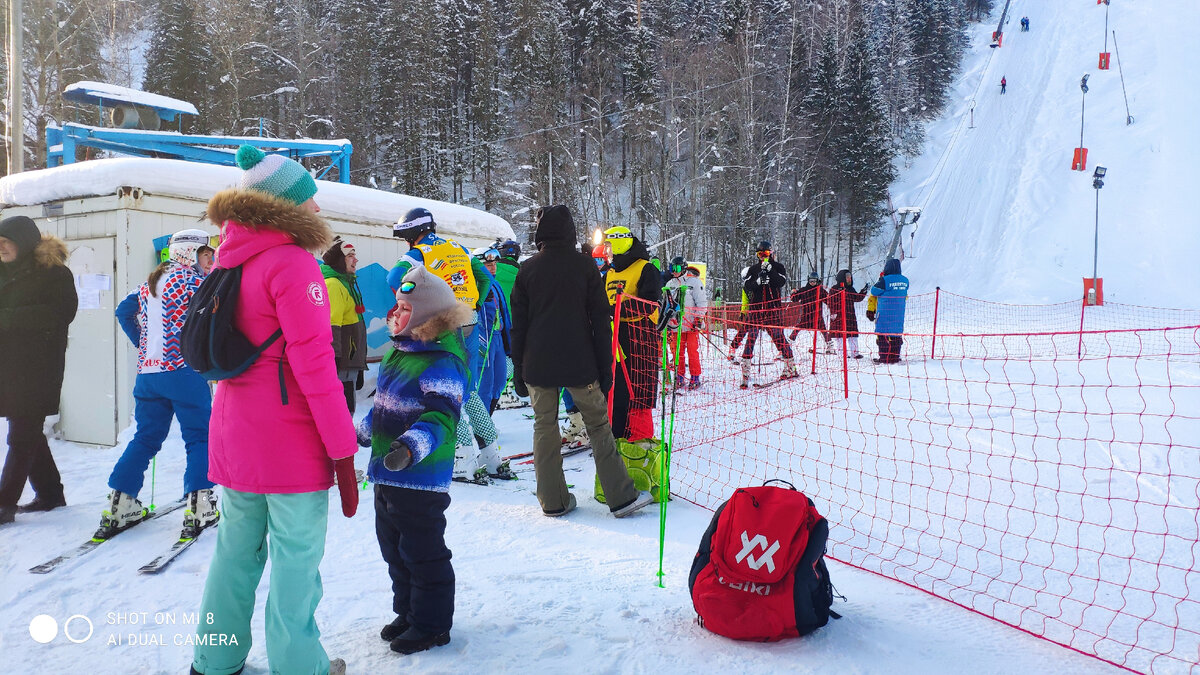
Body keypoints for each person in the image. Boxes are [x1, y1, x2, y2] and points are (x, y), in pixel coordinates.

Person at [191, 145, 356, 675]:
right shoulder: (294, 264)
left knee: (234, 555)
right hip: (289, 445)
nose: (316, 208)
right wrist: (343, 450)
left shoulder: (227, 257)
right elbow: (315, 368)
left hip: (234, 433)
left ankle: (214, 660)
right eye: (308, 199)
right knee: (295, 564)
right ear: (283, 205)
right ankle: (299, 664)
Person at [358, 265, 473, 655]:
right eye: (396, 307)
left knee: (422, 552)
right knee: (394, 550)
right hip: (387, 475)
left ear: (425, 316)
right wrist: (362, 432)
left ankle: (432, 623)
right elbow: (384, 406)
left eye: (404, 308)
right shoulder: (400, 351)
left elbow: (441, 416)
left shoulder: (442, 360)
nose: (395, 314)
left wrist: (410, 446)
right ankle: (409, 611)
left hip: (420, 477)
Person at [511, 205, 653, 518]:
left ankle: (553, 500)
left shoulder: (527, 270)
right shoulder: (586, 267)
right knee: (599, 427)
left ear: (541, 234)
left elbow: (517, 325)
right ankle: (621, 497)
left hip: (538, 363)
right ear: (570, 232)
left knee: (543, 427)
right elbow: (601, 322)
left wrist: (518, 370)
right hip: (581, 362)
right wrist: (607, 368)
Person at [103, 228, 217, 540]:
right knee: (199, 437)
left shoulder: (148, 284)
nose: (211, 259)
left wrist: (143, 345)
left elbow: (123, 311)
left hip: (148, 376)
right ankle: (201, 505)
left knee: (145, 438)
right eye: (205, 253)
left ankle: (120, 502)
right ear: (190, 252)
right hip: (184, 371)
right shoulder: (195, 282)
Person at [388, 208, 508, 482]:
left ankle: (462, 459)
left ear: (410, 234)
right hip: (470, 321)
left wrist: (413, 307)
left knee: (445, 392)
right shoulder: (458, 248)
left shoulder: (419, 254)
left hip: (444, 326)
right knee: (469, 389)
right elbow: (484, 278)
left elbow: (394, 279)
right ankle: (492, 458)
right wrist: (474, 303)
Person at [0, 216, 78, 526]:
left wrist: (8, 318)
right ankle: (50, 494)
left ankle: (4, 504)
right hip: (8, 365)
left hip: (38, 367)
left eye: (8, 241)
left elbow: (60, 314)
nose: (2, 247)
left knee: (21, 434)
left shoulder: (54, 274)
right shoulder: (4, 272)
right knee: (28, 432)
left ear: (25, 241)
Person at [603, 225, 662, 442]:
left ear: (619, 244)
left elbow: (649, 303)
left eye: (609, 245)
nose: (606, 251)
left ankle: (639, 437)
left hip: (640, 337)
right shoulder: (609, 273)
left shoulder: (645, 269)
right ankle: (615, 433)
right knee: (615, 387)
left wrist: (616, 311)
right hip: (613, 336)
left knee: (638, 388)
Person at [321, 236, 368, 413]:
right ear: (339, 260)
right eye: (350, 255)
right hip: (342, 364)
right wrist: (336, 361)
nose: (355, 259)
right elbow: (331, 326)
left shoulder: (345, 282)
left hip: (349, 362)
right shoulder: (333, 284)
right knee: (343, 412)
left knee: (347, 410)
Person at [739, 241, 796, 388]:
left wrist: (771, 271)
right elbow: (747, 286)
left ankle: (790, 367)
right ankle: (745, 373)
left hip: (773, 309)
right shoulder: (753, 269)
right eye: (760, 254)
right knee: (750, 338)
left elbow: (781, 282)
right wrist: (758, 281)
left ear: (771, 253)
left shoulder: (778, 267)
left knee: (778, 337)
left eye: (766, 254)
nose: (763, 257)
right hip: (756, 310)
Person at [663, 258, 707, 390]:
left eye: (676, 269)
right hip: (676, 325)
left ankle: (695, 377)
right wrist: (666, 320)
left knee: (693, 351)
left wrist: (699, 319)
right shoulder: (670, 283)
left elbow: (701, 302)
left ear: (683, 269)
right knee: (677, 352)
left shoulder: (693, 282)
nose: (674, 272)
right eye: (672, 269)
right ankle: (679, 376)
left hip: (691, 324)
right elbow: (666, 303)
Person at [871, 258, 910, 364]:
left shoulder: (885, 280)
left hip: (884, 313)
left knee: (882, 335)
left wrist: (881, 279)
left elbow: (874, 291)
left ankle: (884, 357)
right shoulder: (905, 280)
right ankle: (895, 357)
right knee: (896, 334)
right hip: (899, 314)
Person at [826, 269, 869, 359]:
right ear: (842, 278)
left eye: (850, 277)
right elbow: (830, 302)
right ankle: (842, 354)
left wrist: (863, 291)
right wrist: (833, 313)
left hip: (850, 315)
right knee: (840, 336)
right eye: (847, 277)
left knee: (852, 334)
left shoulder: (850, 289)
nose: (849, 279)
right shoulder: (834, 289)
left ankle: (855, 353)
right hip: (838, 316)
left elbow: (857, 298)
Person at [789, 272, 834, 354]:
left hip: (817, 316)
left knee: (823, 331)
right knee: (797, 329)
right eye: (811, 281)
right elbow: (794, 299)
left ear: (817, 281)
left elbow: (828, 301)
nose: (812, 283)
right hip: (806, 316)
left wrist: (830, 298)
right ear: (808, 280)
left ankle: (830, 346)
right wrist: (793, 293)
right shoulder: (803, 290)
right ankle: (787, 346)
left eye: (814, 281)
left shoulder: (820, 290)